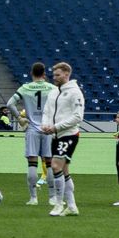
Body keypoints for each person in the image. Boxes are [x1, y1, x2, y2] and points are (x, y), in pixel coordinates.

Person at [44, 60, 84, 217]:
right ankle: (72, 206)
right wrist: (45, 125)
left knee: (55, 166)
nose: (55, 77)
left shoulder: (75, 92)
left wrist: (56, 127)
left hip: (69, 134)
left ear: (67, 74)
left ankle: (59, 204)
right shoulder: (54, 92)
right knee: (64, 170)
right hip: (55, 134)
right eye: (53, 75)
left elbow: (77, 116)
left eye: (58, 75)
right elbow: (47, 112)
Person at [11, 62, 54, 207]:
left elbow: (10, 104)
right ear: (44, 73)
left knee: (32, 163)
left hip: (32, 129)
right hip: (48, 128)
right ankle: (52, 197)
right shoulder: (52, 88)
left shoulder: (25, 88)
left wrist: (19, 118)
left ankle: (33, 198)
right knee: (49, 164)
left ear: (31, 73)